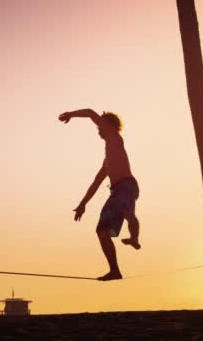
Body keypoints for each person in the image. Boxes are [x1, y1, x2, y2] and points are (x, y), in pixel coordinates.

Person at [59, 108, 141, 281]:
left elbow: (90, 112)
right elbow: (95, 183)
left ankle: (134, 238)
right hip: (117, 190)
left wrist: (70, 115)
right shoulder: (108, 159)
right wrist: (83, 204)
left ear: (108, 126)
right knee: (101, 231)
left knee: (127, 212)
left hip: (126, 185)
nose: (98, 131)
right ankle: (115, 271)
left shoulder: (115, 139)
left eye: (100, 127)